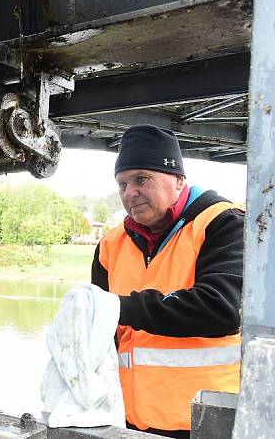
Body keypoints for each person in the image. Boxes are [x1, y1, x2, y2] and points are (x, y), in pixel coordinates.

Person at [91, 125, 244, 437]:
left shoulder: (224, 224)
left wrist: (118, 307)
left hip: (204, 422)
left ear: (178, 179)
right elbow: (100, 335)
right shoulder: (111, 244)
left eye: (141, 179)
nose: (128, 192)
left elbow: (220, 309)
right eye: (122, 183)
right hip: (128, 421)